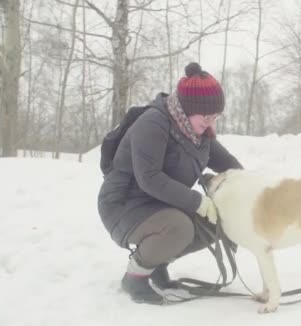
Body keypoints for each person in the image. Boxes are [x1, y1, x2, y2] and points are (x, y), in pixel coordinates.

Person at [97, 62, 242, 304]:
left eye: (215, 116)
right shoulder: (153, 123)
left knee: (217, 221)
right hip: (124, 203)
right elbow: (149, 178)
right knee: (180, 227)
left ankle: (157, 263)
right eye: (207, 116)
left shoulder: (199, 132)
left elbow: (227, 163)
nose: (211, 122)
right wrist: (198, 202)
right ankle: (135, 276)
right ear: (188, 108)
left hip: (160, 202)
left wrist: (252, 187)